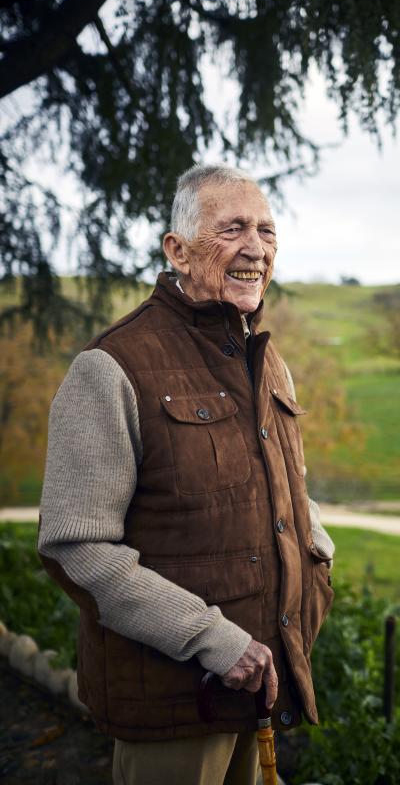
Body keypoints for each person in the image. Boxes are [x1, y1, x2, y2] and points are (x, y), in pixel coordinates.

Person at [38, 164, 335, 785]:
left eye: (267, 231)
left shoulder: (268, 361)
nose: (256, 247)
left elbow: (285, 490)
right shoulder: (111, 366)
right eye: (233, 229)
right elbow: (76, 548)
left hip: (261, 689)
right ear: (176, 249)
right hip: (174, 703)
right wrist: (210, 639)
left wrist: (315, 563)